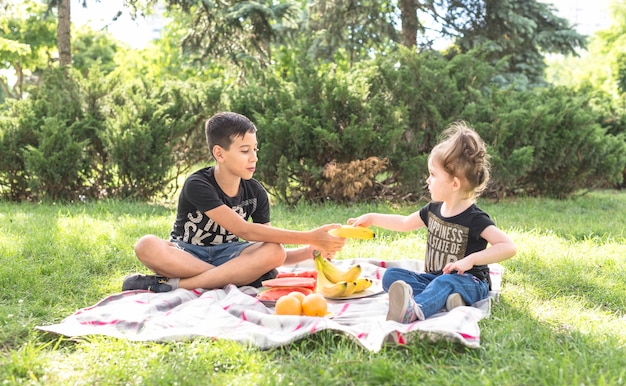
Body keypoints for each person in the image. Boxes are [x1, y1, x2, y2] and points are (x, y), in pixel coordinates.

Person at [122, 111, 346, 292]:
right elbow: (244, 230)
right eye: (245, 150)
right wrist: (309, 235)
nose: (254, 157)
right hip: (187, 253)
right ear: (219, 154)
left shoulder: (255, 192)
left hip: (229, 255)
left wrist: (309, 249)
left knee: (274, 251)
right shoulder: (198, 184)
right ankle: (235, 278)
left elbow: (267, 244)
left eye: (255, 149)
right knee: (146, 245)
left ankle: (175, 285)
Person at [347, 122, 516, 323]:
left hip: (471, 282)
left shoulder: (475, 218)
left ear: (454, 183)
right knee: (391, 277)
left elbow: (508, 247)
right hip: (435, 280)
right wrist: (373, 218)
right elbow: (404, 223)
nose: (428, 180)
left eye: (433, 175)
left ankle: (414, 310)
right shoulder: (434, 209)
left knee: (445, 283)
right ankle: (450, 301)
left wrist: (470, 260)